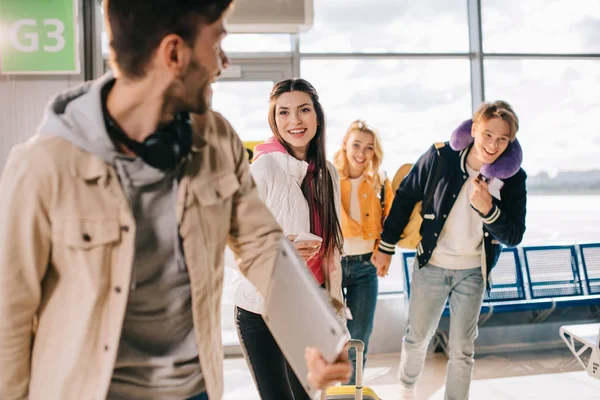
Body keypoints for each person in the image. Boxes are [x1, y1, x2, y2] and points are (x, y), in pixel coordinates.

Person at [0, 2, 351, 399]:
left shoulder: (216, 140)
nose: (223, 60)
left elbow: (262, 247)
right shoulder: (41, 167)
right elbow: (10, 317)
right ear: (174, 53)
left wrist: (316, 333)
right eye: (217, 42)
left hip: (195, 389)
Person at [372, 101, 527, 400]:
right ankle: (406, 387)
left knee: (463, 350)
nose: (493, 144)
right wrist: (386, 247)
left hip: (473, 272)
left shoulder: (513, 179)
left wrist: (489, 210)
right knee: (417, 339)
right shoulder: (440, 157)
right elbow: (405, 197)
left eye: (502, 139)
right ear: (474, 130)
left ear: (510, 141)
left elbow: (514, 235)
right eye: (487, 134)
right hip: (432, 265)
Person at [230, 78, 345, 400]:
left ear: (317, 116)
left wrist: (335, 310)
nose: (294, 121)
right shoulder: (263, 168)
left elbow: (333, 249)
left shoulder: (328, 173)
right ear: (274, 119)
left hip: (309, 307)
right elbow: (228, 240)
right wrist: (280, 250)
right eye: (284, 113)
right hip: (261, 309)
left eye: (303, 110)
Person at [332, 120, 393, 384]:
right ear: (345, 144)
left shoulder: (380, 181)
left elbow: (390, 222)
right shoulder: (327, 176)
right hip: (331, 264)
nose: (361, 152)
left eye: (368, 148)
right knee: (327, 338)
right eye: (356, 144)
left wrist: (384, 254)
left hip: (365, 267)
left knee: (357, 340)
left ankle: (351, 394)